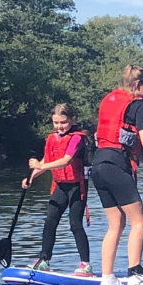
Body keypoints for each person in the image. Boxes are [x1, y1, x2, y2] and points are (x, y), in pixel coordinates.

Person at [89, 65, 143, 285]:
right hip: (117, 165)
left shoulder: (109, 99)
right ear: (137, 85)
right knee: (139, 221)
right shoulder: (138, 105)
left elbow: (123, 122)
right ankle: (135, 273)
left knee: (115, 224)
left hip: (98, 164)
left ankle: (107, 279)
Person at [24, 103, 92, 275]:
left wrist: (42, 165)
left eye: (63, 122)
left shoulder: (77, 138)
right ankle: (44, 260)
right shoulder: (51, 138)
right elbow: (47, 160)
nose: (59, 127)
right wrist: (31, 178)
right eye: (56, 123)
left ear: (72, 120)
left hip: (77, 187)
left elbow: (66, 160)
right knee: (50, 221)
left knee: (75, 224)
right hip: (60, 186)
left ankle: (85, 264)